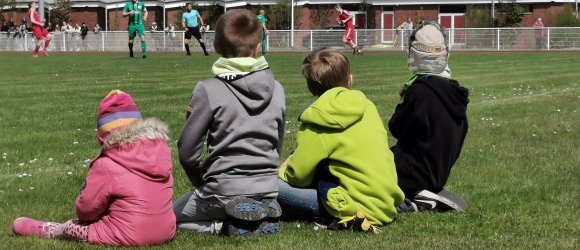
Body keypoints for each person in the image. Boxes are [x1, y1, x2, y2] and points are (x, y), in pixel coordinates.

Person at [12, 90, 176, 246]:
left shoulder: (106, 164)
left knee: (71, 228)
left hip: (130, 235)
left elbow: (85, 210)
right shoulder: (162, 153)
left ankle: (50, 229)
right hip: (167, 230)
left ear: (104, 135)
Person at [173, 9, 286, 237]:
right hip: (268, 188)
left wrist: (201, 181)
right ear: (257, 47)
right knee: (238, 198)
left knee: (166, 219)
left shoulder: (208, 89)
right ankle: (261, 210)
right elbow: (278, 142)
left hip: (222, 189)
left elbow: (187, 150)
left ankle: (225, 227)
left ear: (216, 48)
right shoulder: (278, 89)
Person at [277, 48, 403, 235]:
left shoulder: (316, 121)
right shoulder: (368, 107)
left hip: (350, 206)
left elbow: (299, 176)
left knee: (264, 182)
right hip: (386, 203)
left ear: (310, 87)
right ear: (349, 80)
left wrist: (282, 169)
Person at [388, 21, 469, 212]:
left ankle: (414, 199)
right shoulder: (455, 93)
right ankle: (424, 192)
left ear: (412, 54)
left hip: (414, 171)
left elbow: (396, 128)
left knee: (366, 171)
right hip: (437, 171)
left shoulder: (420, 91)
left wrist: (402, 104)